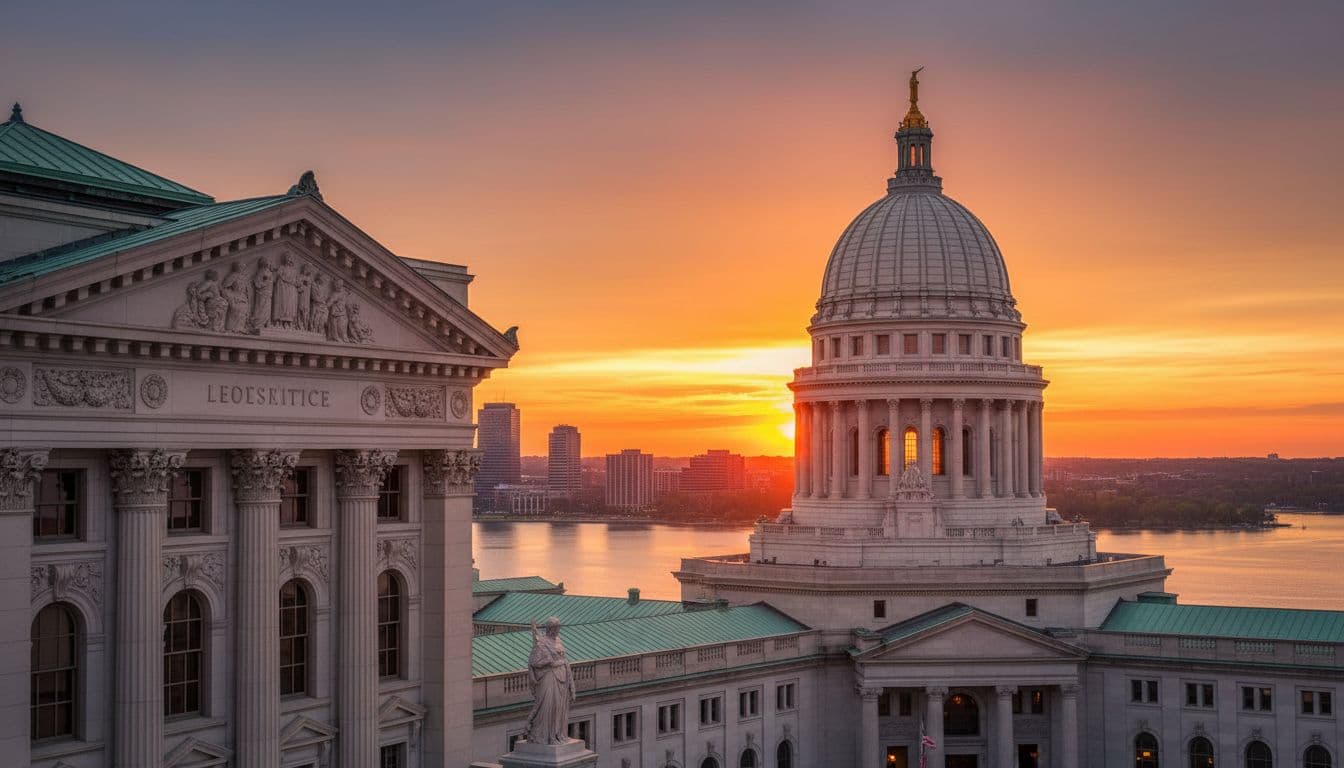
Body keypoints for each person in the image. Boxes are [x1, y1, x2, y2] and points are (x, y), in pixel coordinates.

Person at [523, 616, 575, 745]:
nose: (558, 630)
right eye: (556, 627)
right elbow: (534, 662)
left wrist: (571, 684)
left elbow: (564, 658)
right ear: (550, 628)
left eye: (559, 627)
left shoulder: (558, 640)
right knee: (547, 706)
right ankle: (544, 735)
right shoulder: (542, 643)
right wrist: (549, 661)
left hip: (562, 678)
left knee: (559, 707)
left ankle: (558, 734)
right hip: (549, 678)